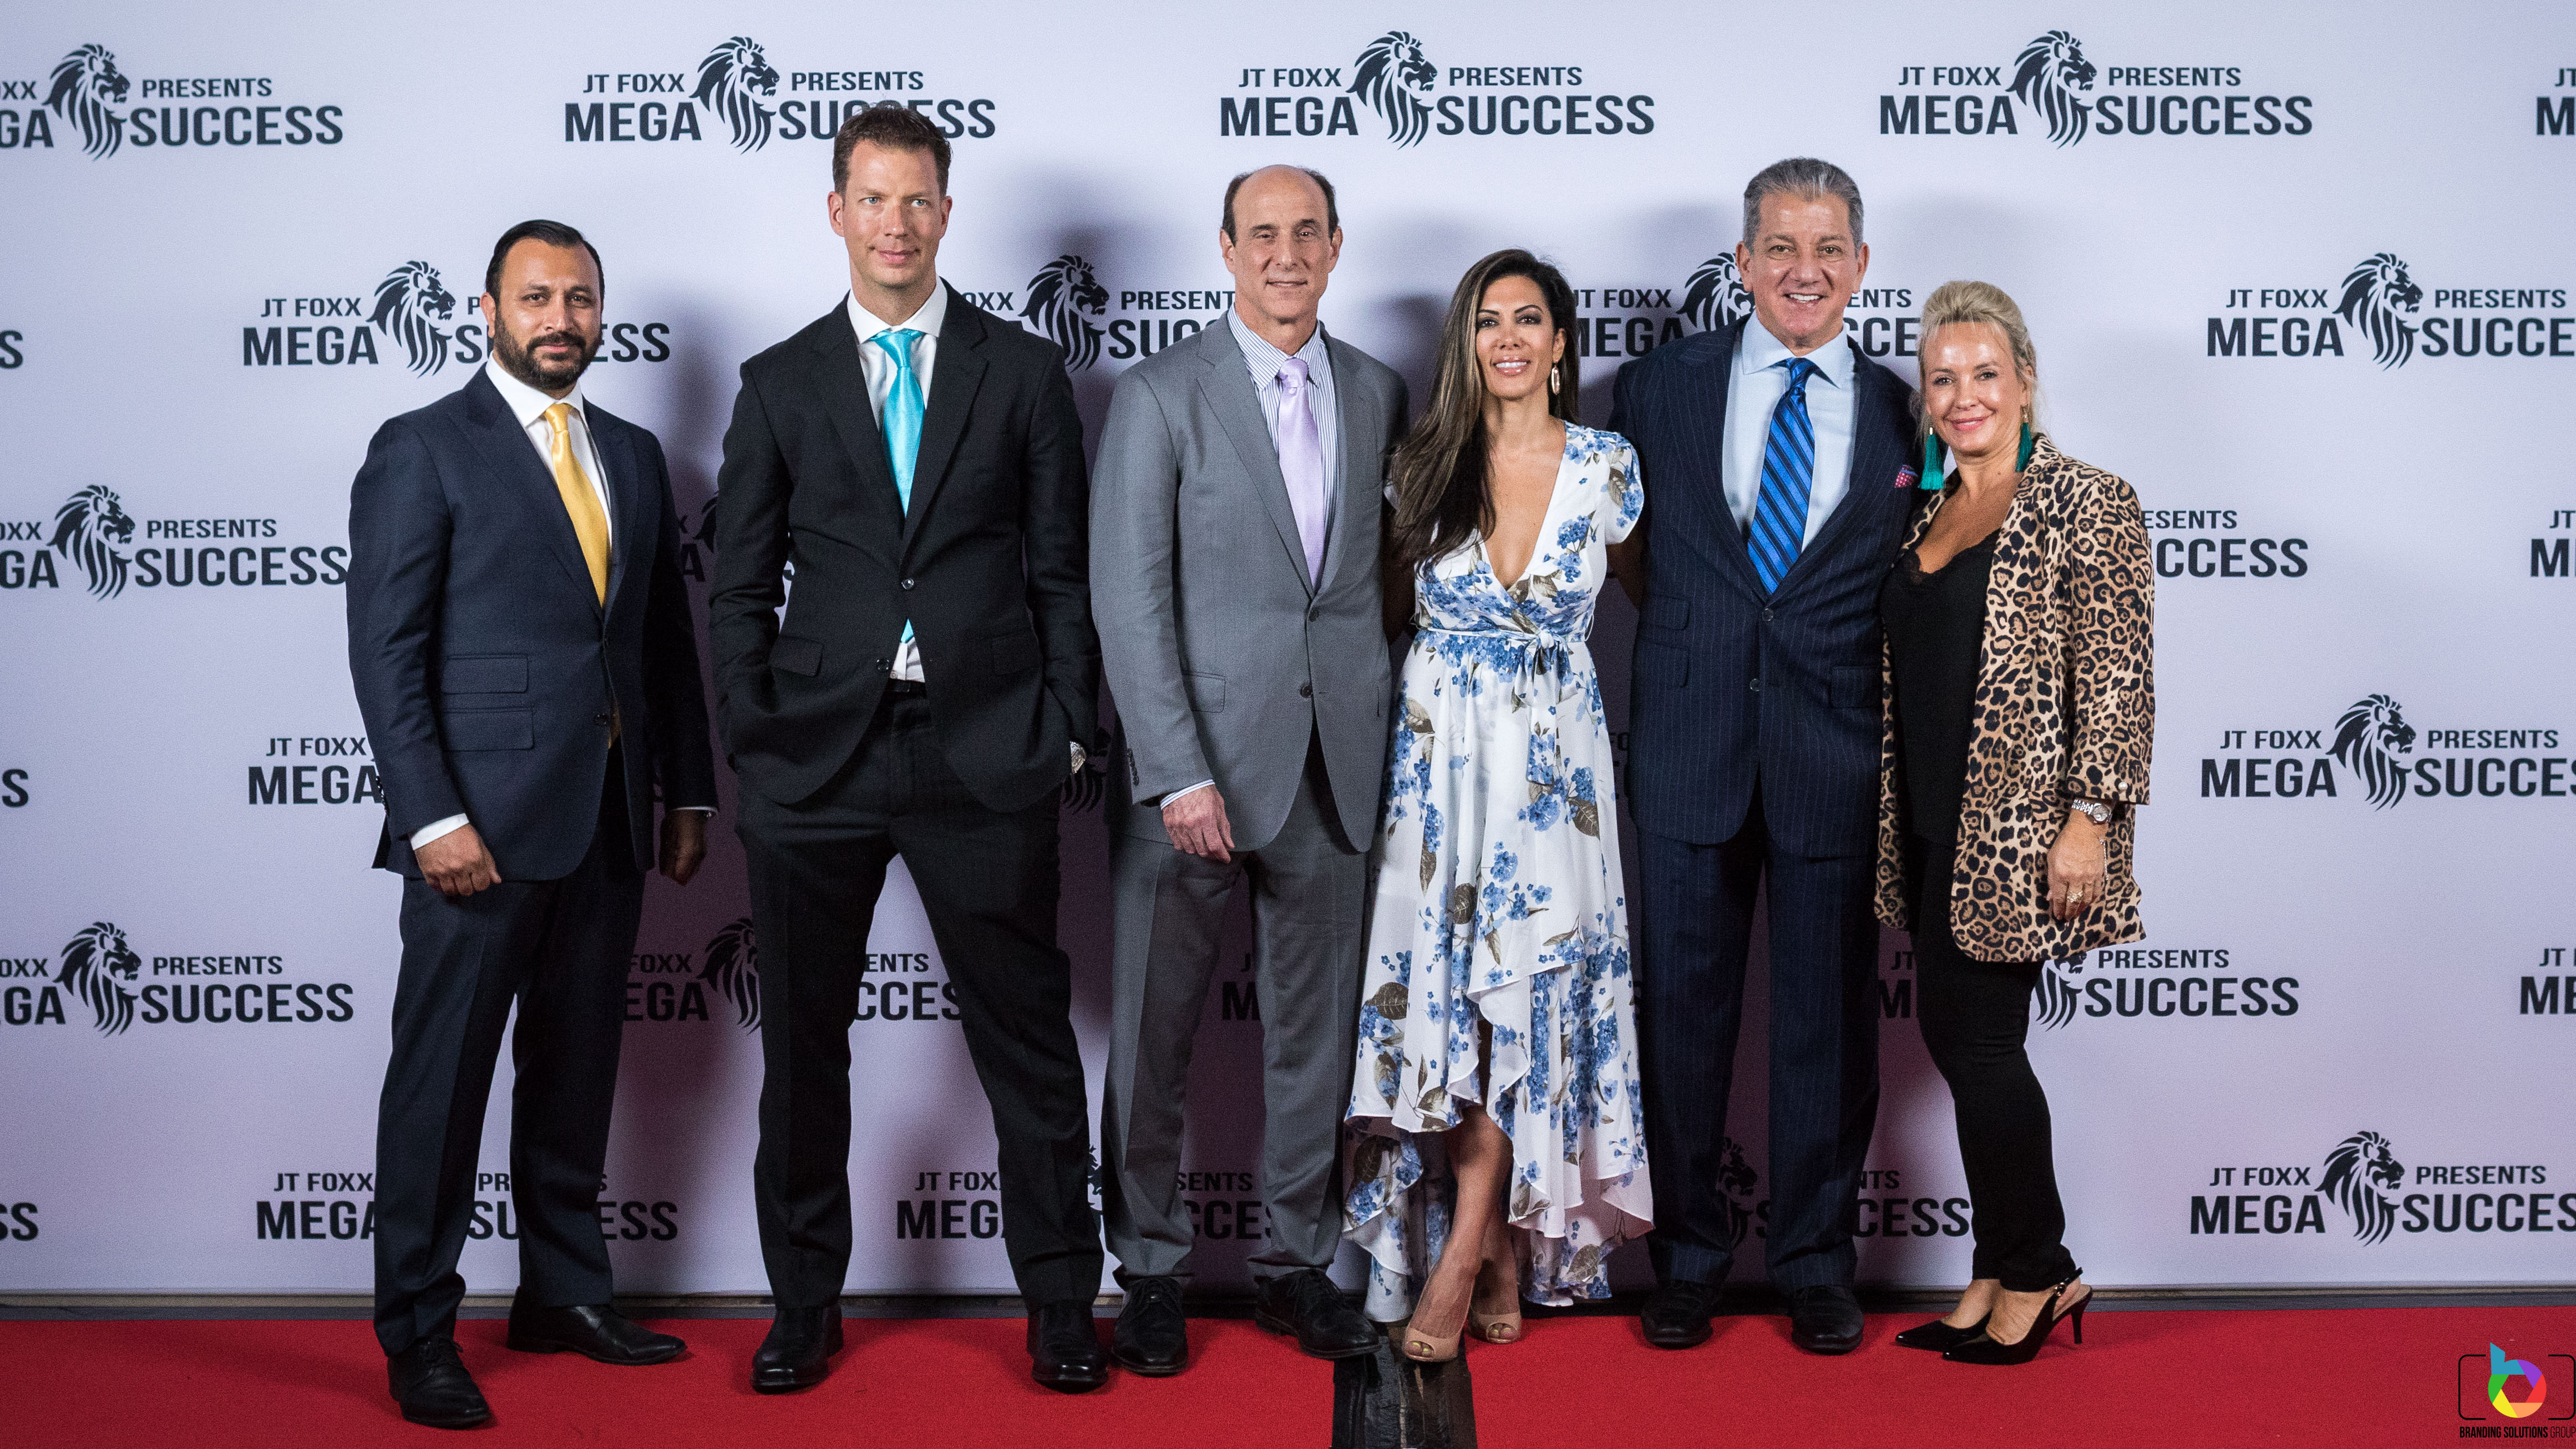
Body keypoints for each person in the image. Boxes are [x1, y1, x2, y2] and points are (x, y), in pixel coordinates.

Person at [706, 102, 1106, 1395]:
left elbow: (1062, 575)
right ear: (838, 212)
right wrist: (753, 729)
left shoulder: (1022, 371)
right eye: (872, 199)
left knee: (1027, 1042)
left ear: (946, 212)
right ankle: (803, 1305)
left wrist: (1067, 727)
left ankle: (1061, 1300)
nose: (895, 223)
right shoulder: (779, 382)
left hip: (983, 750)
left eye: (917, 199)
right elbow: (737, 583)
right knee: (802, 1049)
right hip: (815, 761)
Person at [348, 219, 718, 1430]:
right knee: (441, 1088)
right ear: (490, 310)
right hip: (478, 834)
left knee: (575, 1075)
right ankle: (417, 1331)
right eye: (537, 297)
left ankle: (563, 1292)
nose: (561, 319)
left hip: (607, 820)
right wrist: (431, 816)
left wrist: (687, 789)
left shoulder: (633, 452)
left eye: (581, 299)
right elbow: (387, 653)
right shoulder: (422, 447)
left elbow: (660, 641)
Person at [1091, 165, 1408, 1376]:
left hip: (1335, 767)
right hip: (1194, 776)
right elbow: (1128, 598)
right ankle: (1151, 1271)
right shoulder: (1159, 393)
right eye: (1263, 234)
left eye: (1306, 233)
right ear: (1226, 250)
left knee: (1315, 1038)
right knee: (1154, 1040)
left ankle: (1295, 1265)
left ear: (1337, 246)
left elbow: (1375, 586)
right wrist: (1175, 769)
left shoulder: (1376, 390)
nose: (1286, 254)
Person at [1610, 158, 1918, 1355]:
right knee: (1683, 1022)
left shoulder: (1905, 411)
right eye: (1781, 247)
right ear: (1741, 263)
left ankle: (1814, 1263)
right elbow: (1632, 558)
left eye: (1829, 248)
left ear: (1862, 265)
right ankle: (1688, 1259)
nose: (1805, 269)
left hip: (1834, 755)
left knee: (1827, 1029)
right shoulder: (1656, 389)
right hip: (1689, 747)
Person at [1342, 250, 1653, 1363]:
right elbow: (1382, 616)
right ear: (1466, 344)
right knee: (1459, 1012)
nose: (1509, 339)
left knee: (1535, 1001)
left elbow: (1667, 610)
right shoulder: (1420, 465)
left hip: (1557, 781)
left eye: (1529, 319)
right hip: (1441, 774)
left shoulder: (1609, 469)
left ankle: (1468, 1248)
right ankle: (1496, 1249)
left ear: (1563, 343)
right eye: (1488, 321)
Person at [1877, 281, 2150, 1365]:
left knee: (1983, 1047)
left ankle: (2042, 1270)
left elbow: (2119, 678)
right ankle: (1996, 1267)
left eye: (1985, 373)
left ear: (2026, 382)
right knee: (1961, 1044)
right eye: (1943, 378)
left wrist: (2090, 820)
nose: (1964, 395)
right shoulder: (1929, 507)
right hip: (1933, 825)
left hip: (2022, 831)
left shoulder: (2088, 500)